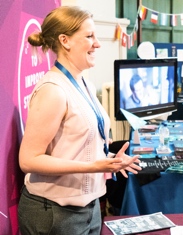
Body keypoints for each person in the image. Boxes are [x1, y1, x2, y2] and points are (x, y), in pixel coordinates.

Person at [17, 6, 141, 234]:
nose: (98, 43)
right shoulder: (53, 90)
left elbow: (74, 145)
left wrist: (110, 159)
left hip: (89, 208)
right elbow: (28, 160)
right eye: (89, 36)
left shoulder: (84, 83)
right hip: (54, 214)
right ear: (65, 41)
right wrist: (93, 166)